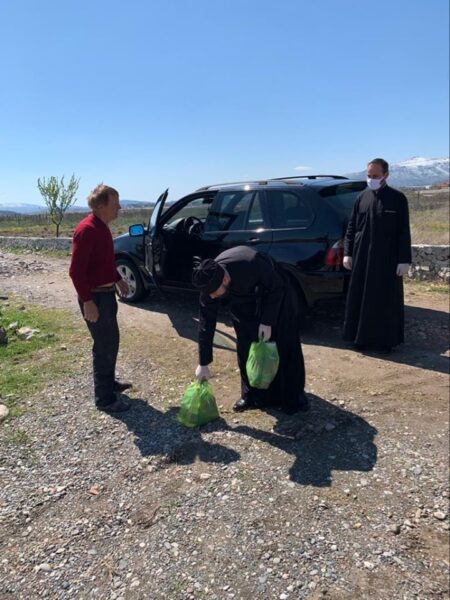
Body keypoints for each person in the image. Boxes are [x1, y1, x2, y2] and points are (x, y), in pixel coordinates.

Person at [192, 245, 309, 414]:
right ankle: (252, 396)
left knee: (284, 344)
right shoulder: (209, 284)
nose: (212, 297)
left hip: (276, 294)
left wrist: (267, 321)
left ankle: (293, 397)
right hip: (243, 301)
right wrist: (203, 363)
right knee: (245, 345)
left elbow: (277, 288)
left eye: (214, 293)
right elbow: (206, 323)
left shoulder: (251, 262)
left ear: (224, 279)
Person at [69, 184, 132, 412]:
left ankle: (109, 383)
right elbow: (76, 271)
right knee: (104, 345)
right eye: (115, 204)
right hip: (95, 298)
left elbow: (103, 262)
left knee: (111, 342)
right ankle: (104, 399)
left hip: (105, 295)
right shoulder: (87, 230)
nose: (119, 208)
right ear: (100, 205)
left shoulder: (102, 227)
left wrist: (117, 278)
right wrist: (88, 302)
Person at [343, 158, 412, 353]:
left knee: (384, 300)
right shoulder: (361, 198)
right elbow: (351, 227)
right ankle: (359, 338)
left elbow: (403, 232)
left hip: (386, 260)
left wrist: (404, 259)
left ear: (385, 175)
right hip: (362, 258)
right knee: (360, 298)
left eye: (375, 176)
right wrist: (348, 253)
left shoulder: (397, 199)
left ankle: (384, 342)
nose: (371, 179)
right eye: (369, 175)